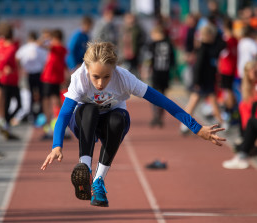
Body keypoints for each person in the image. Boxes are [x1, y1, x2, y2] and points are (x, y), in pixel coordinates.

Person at [40, 41, 226, 207]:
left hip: (112, 125)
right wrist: (57, 145)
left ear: (114, 69)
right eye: (95, 76)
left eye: (106, 76)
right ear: (87, 69)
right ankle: (85, 168)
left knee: (117, 117)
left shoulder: (124, 78)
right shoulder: (79, 78)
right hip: (84, 123)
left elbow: (163, 101)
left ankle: (98, 181)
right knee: (89, 109)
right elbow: (64, 114)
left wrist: (197, 127)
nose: (100, 83)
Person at [180, 24, 223, 134]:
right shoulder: (203, 48)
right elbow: (198, 67)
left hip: (208, 79)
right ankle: (185, 123)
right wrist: (197, 81)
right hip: (202, 80)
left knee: (210, 100)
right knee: (194, 101)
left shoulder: (209, 47)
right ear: (207, 36)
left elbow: (221, 45)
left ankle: (220, 121)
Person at [223, 60, 257, 169]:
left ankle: (242, 156)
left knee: (251, 123)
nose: (254, 74)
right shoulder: (246, 89)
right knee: (238, 145)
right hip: (248, 127)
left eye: (255, 71)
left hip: (252, 125)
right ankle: (242, 154)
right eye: (252, 72)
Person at [39, 29, 67, 140]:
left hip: (50, 78)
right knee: (55, 101)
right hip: (53, 78)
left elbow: (40, 45)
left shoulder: (57, 47)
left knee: (48, 102)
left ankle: (51, 126)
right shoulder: (62, 48)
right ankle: (57, 126)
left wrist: (45, 38)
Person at [16, 31, 47, 122]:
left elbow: (17, 57)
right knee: (40, 93)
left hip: (29, 73)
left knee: (30, 94)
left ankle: (31, 114)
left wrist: (22, 68)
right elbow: (46, 60)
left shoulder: (24, 48)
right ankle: (41, 112)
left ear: (29, 39)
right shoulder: (40, 48)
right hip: (39, 73)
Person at [148, 25, 175, 127]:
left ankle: (155, 116)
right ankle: (160, 117)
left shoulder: (153, 44)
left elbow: (149, 58)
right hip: (166, 73)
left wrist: (146, 69)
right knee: (163, 94)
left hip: (156, 72)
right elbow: (172, 59)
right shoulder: (169, 44)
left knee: (153, 94)